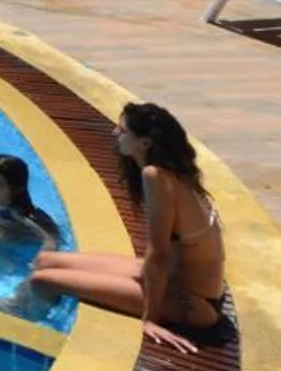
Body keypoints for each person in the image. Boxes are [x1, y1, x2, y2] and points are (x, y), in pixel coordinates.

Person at [25, 102, 232, 351]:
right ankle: (25, 306)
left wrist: (150, 319)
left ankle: (29, 326)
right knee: (45, 260)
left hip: (194, 302)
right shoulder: (170, 172)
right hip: (174, 280)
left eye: (123, 131)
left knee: (41, 279)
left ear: (145, 142)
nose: (114, 134)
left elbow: (160, 253)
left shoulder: (156, 176)